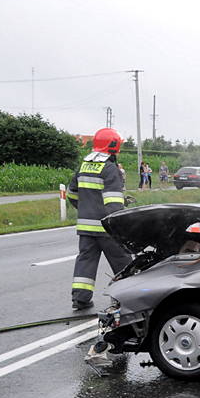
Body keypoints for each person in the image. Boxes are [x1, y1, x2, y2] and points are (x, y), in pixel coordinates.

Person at [67, 128, 132, 313]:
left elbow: (72, 194)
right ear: (113, 146)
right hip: (106, 228)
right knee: (124, 263)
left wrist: (85, 209)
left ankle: (80, 300)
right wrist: (120, 227)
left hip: (85, 228)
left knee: (85, 262)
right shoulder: (110, 169)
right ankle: (127, 298)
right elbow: (113, 205)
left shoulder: (83, 165)